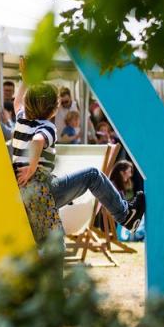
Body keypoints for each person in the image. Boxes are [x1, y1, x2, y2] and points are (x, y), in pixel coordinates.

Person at [12, 78, 144, 247]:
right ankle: (125, 215)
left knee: (48, 244)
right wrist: (31, 168)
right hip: (44, 188)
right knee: (93, 175)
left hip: (23, 192)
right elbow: (37, 141)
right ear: (53, 109)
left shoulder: (21, 120)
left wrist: (25, 78)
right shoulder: (46, 127)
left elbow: (17, 102)